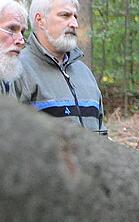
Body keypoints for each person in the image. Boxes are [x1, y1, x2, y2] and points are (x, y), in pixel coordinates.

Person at [15, 0, 107, 134]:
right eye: (65, 15)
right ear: (40, 20)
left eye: (75, 17)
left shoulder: (84, 73)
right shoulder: (17, 70)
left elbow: (101, 134)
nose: (74, 24)